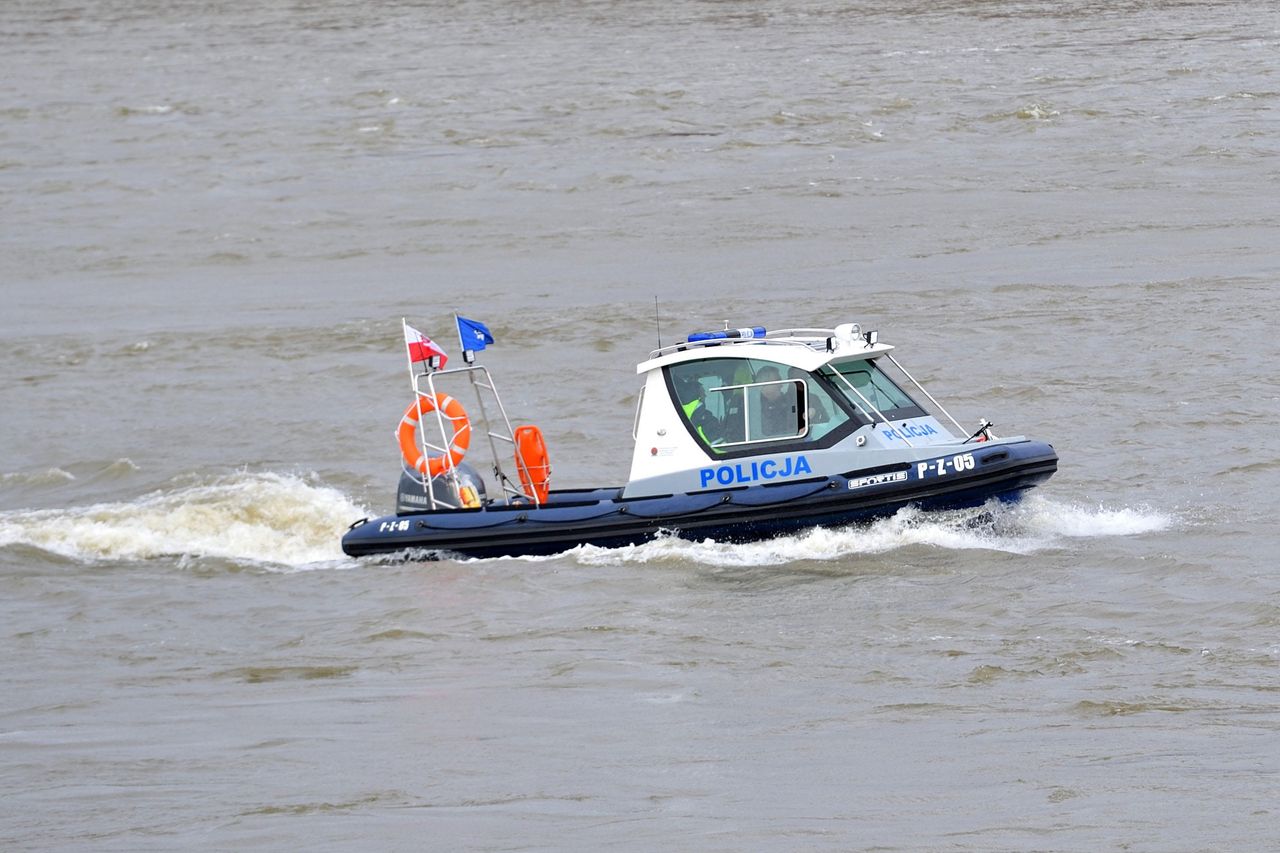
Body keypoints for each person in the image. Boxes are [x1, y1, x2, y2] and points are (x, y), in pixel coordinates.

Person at [675, 373, 722, 445]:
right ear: (697, 397)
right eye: (703, 393)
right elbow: (720, 445)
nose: (705, 396)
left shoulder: (677, 413)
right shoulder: (707, 419)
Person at [755, 366, 798, 437]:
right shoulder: (752, 405)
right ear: (764, 384)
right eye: (778, 381)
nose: (781, 385)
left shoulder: (789, 401)